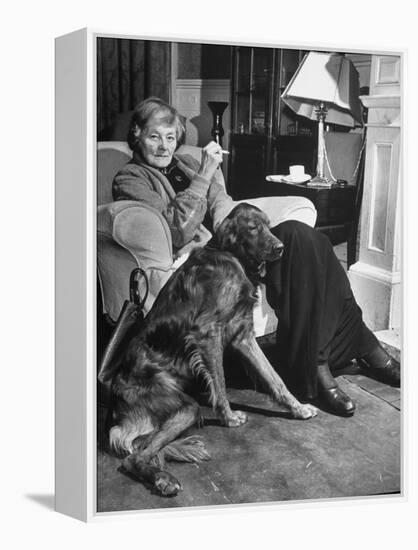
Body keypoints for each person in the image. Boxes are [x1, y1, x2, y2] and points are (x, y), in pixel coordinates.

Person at [112, 97, 400, 417]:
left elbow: (225, 211)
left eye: (170, 138)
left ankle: (335, 354)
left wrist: (240, 225)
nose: (164, 147)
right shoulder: (131, 178)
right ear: (137, 133)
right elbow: (177, 231)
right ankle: (344, 357)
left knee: (307, 239)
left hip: (230, 254)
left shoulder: (187, 165)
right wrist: (207, 175)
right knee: (306, 246)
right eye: (154, 136)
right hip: (203, 269)